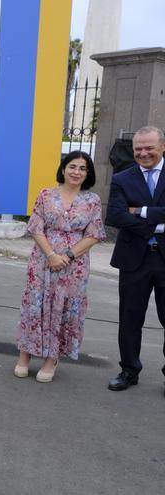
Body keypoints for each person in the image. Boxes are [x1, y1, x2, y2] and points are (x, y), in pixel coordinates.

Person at [14, 151, 105, 382]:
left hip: (74, 265)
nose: (77, 172)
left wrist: (67, 255)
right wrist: (51, 254)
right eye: (72, 166)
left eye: (82, 168)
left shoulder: (92, 201)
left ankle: (51, 359)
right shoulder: (46, 194)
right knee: (35, 305)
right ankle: (25, 354)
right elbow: (35, 227)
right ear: (63, 169)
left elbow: (94, 234)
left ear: (88, 173)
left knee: (63, 309)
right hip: (42, 260)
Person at [105, 125, 165, 393]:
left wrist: (139, 211)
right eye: (138, 148)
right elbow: (116, 216)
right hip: (134, 260)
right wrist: (158, 224)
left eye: (149, 148)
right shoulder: (122, 177)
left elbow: (128, 214)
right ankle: (129, 370)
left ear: (162, 147)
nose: (143, 153)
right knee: (130, 318)